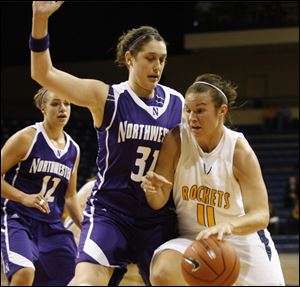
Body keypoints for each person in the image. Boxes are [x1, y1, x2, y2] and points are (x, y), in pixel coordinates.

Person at [30, 2, 184, 285]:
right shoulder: (106, 97)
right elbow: (44, 74)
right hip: (111, 212)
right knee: (87, 281)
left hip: (157, 218)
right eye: (150, 58)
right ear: (129, 59)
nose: (157, 66)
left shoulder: (178, 103)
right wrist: (40, 20)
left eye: (162, 59)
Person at [141, 73, 285, 286]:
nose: (192, 118)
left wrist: (229, 225)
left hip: (240, 239)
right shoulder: (176, 140)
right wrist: (153, 193)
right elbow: (158, 201)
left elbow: (261, 215)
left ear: (222, 111)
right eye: (188, 110)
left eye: (200, 110)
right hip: (193, 239)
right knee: (162, 271)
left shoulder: (239, 151)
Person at [1, 87, 83, 286]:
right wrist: (23, 197)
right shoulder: (27, 138)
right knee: (24, 273)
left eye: (67, 103)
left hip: (51, 225)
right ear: (43, 108)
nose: (62, 108)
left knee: (76, 277)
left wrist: (89, 229)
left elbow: (70, 197)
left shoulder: (74, 149)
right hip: (17, 218)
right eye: (55, 103)